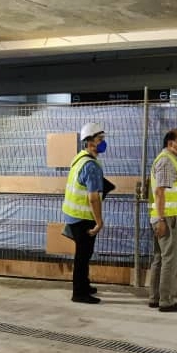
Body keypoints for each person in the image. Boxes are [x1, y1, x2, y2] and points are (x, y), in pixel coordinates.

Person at [62, 122, 107, 304]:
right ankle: (79, 293)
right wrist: (99, 222)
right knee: (82, 256)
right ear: (89, 142)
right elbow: (93, 198)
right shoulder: (91, 165)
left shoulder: (79, 159)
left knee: (84, 254)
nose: (103, 142)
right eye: (100, 139)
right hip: (83, 218)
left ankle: (84, 285)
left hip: (72, 215)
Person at [147, 129, 177, 312]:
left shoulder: (166, 160)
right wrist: (163, 219)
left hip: (163, 217)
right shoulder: (166, 161)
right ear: (171, 143)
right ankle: (166, 301)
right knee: (170, 260)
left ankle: (155, 298)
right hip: (168, 218)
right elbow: (160, 192)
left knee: (159, 258)